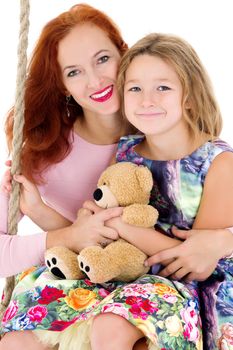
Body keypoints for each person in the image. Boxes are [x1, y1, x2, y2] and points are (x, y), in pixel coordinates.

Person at [0, 9, 232, 350]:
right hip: (118, 275)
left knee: (112, 330)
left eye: (103, 59)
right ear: (61, 84)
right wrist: (38, 213)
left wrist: (225, 239)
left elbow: (196, 257)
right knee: (19, 341)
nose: (95, 81)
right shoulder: (122, 152)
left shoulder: (202, 155)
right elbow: (95, 231)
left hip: (175, 284)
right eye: (74, 71)